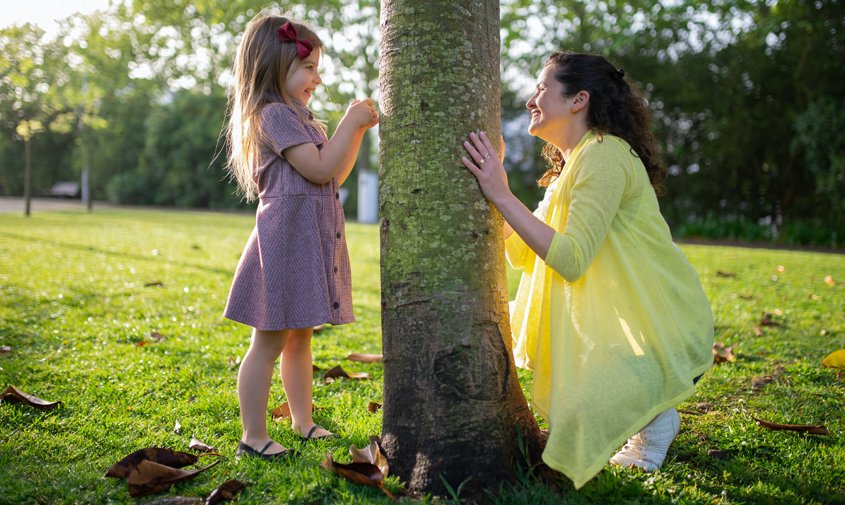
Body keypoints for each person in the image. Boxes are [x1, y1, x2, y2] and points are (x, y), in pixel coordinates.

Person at [460, 52, 713, 488]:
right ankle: (648, 408)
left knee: (579, 411)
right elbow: (523, 247)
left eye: (541, 88)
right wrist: (488, 183)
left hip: (660, 321)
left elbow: (571, 259)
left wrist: (502, 195)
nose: (530, 100)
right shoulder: (573, 164)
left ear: (579, 100)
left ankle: (655, 421)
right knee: (574, 397)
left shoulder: (604, 155)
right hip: (624, 319)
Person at [222, 13, 378, 460]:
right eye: (309, 68)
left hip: (307, 241)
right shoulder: (272, 115)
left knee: (300, 338)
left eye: (316, 68)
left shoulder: (303, 119)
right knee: (268, 341)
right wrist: (349, 121)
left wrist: (357, 133)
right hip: (285, 243)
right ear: (275, 67)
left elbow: (333, 175)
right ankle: (253, 435)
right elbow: (319, 168)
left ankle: (302, 421)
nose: (317, 78)